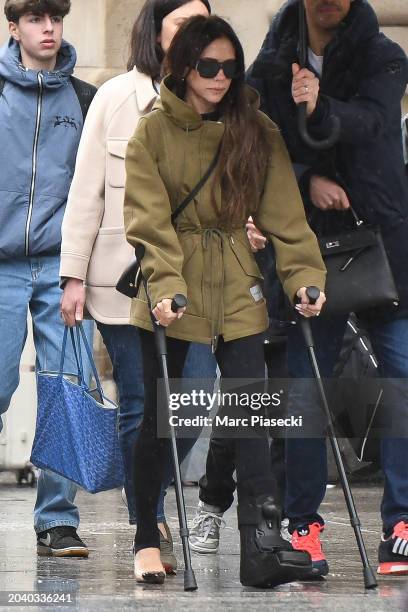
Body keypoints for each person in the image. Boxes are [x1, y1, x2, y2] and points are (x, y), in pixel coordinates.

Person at [124, 14, 326, 587]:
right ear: (183, 67)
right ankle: (145, 537)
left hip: (237, 273)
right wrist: (165, 287)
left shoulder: (255, 128)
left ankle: (261, 545)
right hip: (176, 277)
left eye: (229, 68)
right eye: (208, 66)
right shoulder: (152, 132)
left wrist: (303, 277)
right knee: (162, 418)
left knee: (248, 410)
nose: (219, 78)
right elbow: (148, 220)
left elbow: (285, 213)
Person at [244, 0, 408, 578]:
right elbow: (258, 146)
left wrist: (320, 105)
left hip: (381, 245)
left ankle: (402, 525)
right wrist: (307, 178)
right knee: (307, 391)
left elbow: (374, 122)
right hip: (304, 250)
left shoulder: (384, 55)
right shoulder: (268, 66)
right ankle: (303, 525)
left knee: (400, 382)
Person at [59, 0, 216, 575]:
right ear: (157, 31)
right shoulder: (114, 95)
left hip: (197, 283)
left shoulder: (214, 97)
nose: (193, 35)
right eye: (181, 23)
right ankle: (144, 522)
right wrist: (72, 274)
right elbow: (85, 190)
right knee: (140, 403)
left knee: (191, 400)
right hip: (121, 281)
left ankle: (151, 498)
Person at [0, 0, 96, 557]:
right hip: (3, 265)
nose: (48, 29)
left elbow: (93, 194)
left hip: (63, 271)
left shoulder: (83, 99)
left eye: (55, 19)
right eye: (36, 19)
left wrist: (78, 271)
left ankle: (57, 519)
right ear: (14, 28)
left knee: (66, 386)